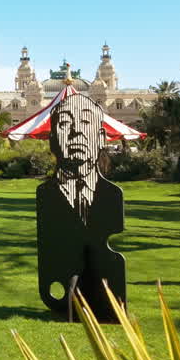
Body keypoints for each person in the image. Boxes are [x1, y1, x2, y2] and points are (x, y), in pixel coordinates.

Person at [35, 93, 125, 322]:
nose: (77, 132)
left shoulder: (112, 195)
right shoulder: (46, 196)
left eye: (85, 122)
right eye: (66, 124)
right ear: (53, 140)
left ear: (101, 137)